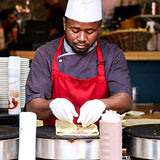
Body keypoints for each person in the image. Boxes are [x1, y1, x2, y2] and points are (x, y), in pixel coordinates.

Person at [25, 0, 132, 127]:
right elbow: (32, 106)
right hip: (54, 140)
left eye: (90, 31)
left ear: (99, 27)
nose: (82, 38)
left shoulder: (112, 54)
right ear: (64, 24)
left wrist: (102, 105)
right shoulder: (46, 53)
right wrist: (52, 105)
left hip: (100, 139)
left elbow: (125, 100)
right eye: (75, 30)